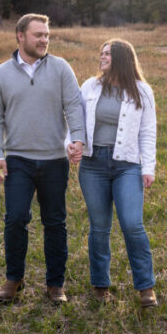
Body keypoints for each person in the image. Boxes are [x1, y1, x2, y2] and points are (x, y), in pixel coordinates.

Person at [0, 14, 85, 304]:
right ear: (20, 36)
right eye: (38, 34)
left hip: (55, 160)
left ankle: (55, 284)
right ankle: (14, 279)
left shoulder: (61, 68)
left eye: (46, 35)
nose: (44, 40)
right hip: (18, 160)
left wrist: (77, 139)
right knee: (15, 218)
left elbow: (74, 107)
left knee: (55, 223)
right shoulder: (0, 74)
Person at [68, 39, 158, 307]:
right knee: (99, 227)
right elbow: (73, 120)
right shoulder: (90, 86)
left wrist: (148, 167)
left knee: (132, 224)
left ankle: (145, 287)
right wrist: (70, 144)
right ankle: (100, 285)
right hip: (93, 164)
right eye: (101, 53)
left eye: (108, 53)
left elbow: (148, 131)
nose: (102, 57)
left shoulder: (142, 91)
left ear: (121, 58)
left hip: (128, 165)